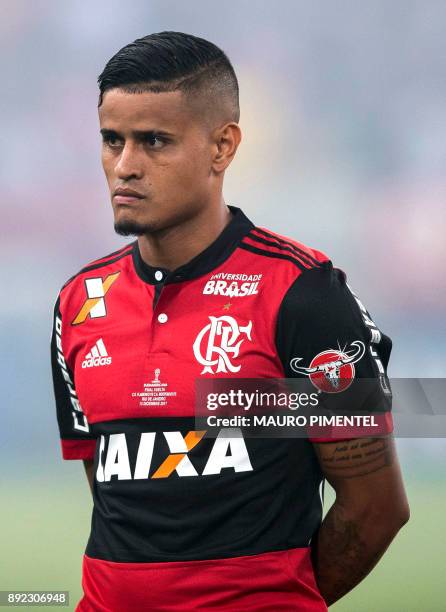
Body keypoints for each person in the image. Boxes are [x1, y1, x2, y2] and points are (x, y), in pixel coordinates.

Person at [50, 31, 409, 612]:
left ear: (223, 147)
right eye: (111, 140)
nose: (125, 166)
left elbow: (375, 508)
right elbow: (112, 490)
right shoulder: (78, 301)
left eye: (154, 141)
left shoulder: (303, 294)